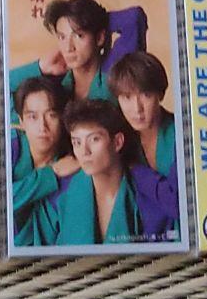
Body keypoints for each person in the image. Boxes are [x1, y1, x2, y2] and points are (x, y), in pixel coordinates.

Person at [56, 99, 180, 245]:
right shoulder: (68, 197)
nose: (84, 151)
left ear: (117, 142)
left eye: (94, 139)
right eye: (77, 142)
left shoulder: (148, 200)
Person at [9, 0, 146, 105]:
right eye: (62, 37)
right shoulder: (57, 85)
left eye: (79, 35)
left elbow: (134, 18)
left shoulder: (112, 74)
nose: (69, 47)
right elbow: (3, 90)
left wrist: (97, 19)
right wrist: (40, 67)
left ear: (99, 38)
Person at [10, 76, 77, 247]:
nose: (42, 127)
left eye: (51, 115)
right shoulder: (12, 146)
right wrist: (50, 173)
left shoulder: (71, 166)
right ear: (21, 121)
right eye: (33, 117)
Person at [107, 52, 178, 178]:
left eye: (146, 95)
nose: (137, 108)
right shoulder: (120, 138)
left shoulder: (179, 133)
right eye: (127, 97)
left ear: (160, 95)